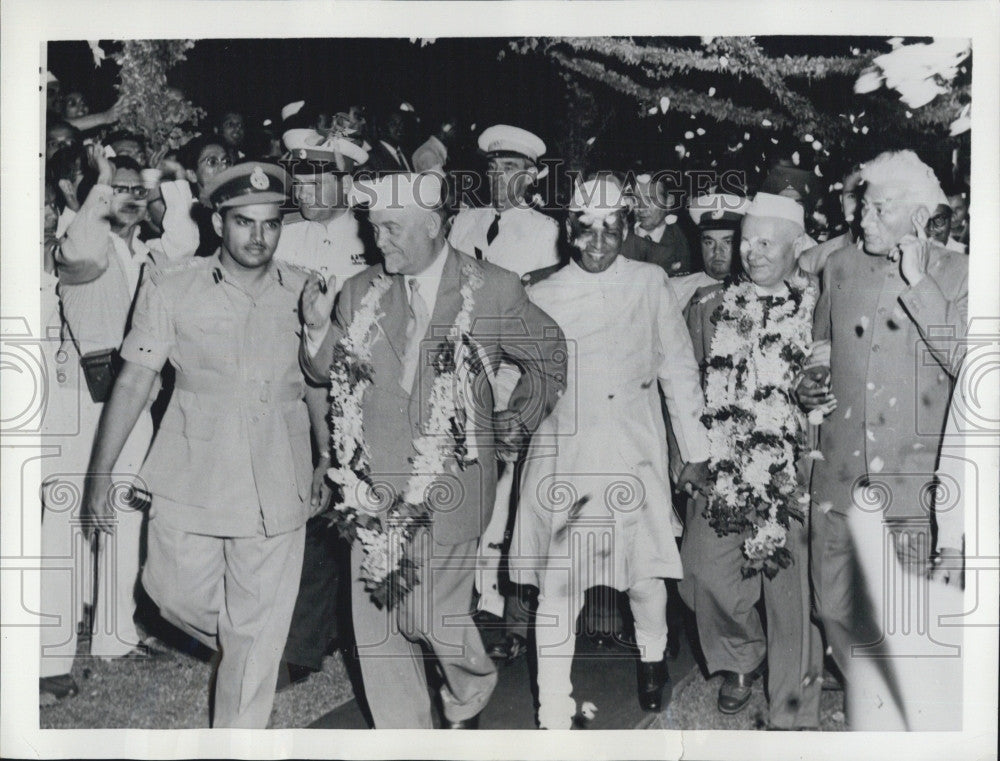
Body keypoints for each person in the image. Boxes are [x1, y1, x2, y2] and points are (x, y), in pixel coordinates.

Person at [299, 171, 567, 728]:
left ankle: (470, 688)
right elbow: (325, 372)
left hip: (449, 488)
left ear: (433, 225)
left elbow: (549, 353)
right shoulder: (359, 290)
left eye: (392, 228)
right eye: (376, 230)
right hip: (369, 491)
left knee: (429, 612)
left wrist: (515, 418)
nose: (380, 242)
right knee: (377, 634)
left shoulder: (493, 288)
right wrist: (315, 330)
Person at [82, 162, 324, 727]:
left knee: (253, 630)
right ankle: (254, 643)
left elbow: (319, 380)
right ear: (219, 222)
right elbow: (135, 380)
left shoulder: (304, 288)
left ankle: (244, 702)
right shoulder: (172, 286)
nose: (258, 237)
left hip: (277, 473)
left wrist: (327, 457)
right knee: (167, 591)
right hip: (193, 470)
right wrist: (100, 473)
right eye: (244, 223)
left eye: (270, 224)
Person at [508, 174, 710, 729]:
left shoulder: (650, 283)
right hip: (565, 459)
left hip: (632, 450)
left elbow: (678, 369)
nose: (599, 242)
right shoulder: (541, 292)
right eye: (588, 230)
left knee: (645, 576)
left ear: (625, 228)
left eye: (611, 229)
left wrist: (694, 448)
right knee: (559, 584)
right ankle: (553, 706)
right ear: (571, 231)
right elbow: (519, 378)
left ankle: (651, 658)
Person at [798, 150, 968, 728]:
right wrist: (808, 381)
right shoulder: (839, 265)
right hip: (840, 481)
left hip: (911, 487)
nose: (862, 219)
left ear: (919, 219)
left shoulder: (960, 275)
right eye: (863, 206)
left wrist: (919, 282)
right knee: (832, 607)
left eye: (877, 209)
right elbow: (820, 347)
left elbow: (970, 364)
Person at [678, 192, 823, 728]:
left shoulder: (816, 305)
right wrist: (688, 458)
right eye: (746, 241)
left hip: (795, 471)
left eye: (767, 243)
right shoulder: (712, 306)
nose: (752, 253)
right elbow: (686, 387)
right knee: (701, 569)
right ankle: (741, 657)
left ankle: (792, 711)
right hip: (725, 465)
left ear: (797, 249)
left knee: (790, 597)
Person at [272, 125, 372, 688]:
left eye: (318, 179)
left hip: (362, 391)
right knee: (306, 514)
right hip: (298, 392)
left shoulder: (373, 232)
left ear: (346, 180)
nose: (305, 191)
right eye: (300, 180)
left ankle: (345, 634)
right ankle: (302, 641)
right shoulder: (282, 235)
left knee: (356, 517)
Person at [448, 124, 559, 275]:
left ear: (529, 176)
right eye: (492, 167)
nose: (497, 176)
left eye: (508, 168)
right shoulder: (464, 221)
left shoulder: (546, 232)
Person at [668, 192, 748, 309]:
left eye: (727, 242)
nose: (717, 251)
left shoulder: (755, 291)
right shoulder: (676, 289)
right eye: (709, 242)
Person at [622, 172, 695, 276]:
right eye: (636, 200)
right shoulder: (620, 238)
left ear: (669, 202)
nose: (642, 207)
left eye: (650, 199)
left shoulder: (685, 241)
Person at [799, 167, 862, 276]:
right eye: (852, 196)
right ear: (841, 201)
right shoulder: (811, 261)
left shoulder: (899, 259)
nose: (863, 206)